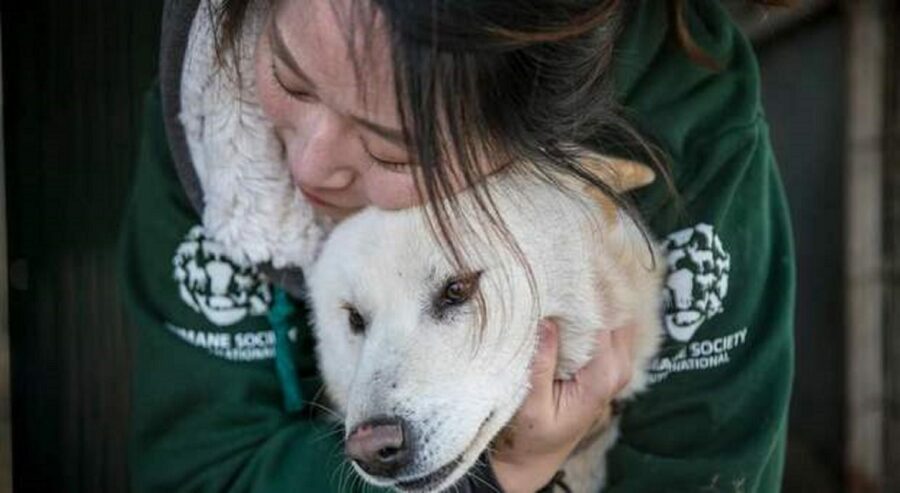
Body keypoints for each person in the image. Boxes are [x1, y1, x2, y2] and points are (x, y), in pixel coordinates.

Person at [119, 0, 795, 491]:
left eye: (390, 147)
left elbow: (708, 462)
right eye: (292, 80)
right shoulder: (210, 111)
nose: (308, 167)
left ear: (528, 143)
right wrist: (501, 473)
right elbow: (197, 471)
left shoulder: (688, 118)